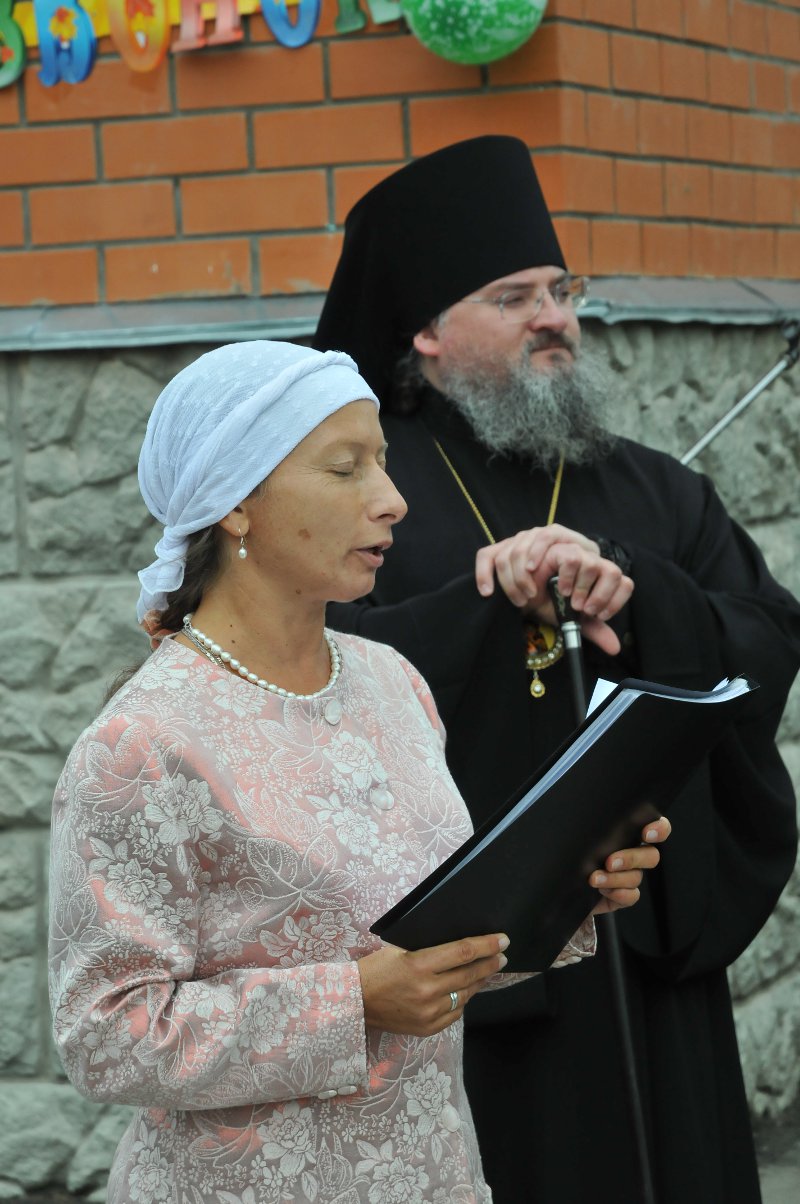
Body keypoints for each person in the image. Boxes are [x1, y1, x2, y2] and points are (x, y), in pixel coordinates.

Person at [48, 340, 669, 1204]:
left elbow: (426, 944)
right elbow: (104, 1035)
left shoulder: (390, 681)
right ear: (236, 505)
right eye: (345, 469)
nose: (392, 500)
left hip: (434, 1174)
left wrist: (567, 887)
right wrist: (352, 1003)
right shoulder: (142, 743)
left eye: (381, 461)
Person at [314, 136, 800, 1204]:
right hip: (467, 983)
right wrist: (482, 606)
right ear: (426, 333)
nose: (554, 318)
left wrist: (636, 589)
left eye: (561, 291)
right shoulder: (361, 494)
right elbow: (310, 673)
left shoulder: (653, 492)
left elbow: (765, 639)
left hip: (646, 949)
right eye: (514, 297)